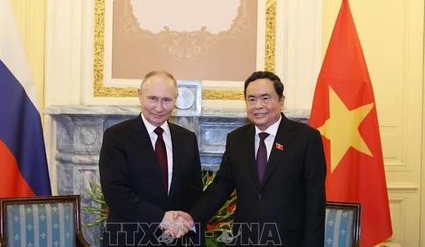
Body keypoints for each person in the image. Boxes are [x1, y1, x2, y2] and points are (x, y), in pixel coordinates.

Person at [176, 71, 326, 246]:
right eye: (252, 99)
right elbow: (221, 186)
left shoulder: (306, 138)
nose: (258, 105)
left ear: (281, 101)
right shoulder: (237, 139)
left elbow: (315, 200)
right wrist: (191, 217)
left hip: (289, 239)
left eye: (265, 98)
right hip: (246, 239)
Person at [99, 71, 203, 246]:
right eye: (153, 98)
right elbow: (115, 192)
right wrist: (161, 218)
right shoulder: (117, 136)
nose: (159, 107)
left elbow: (194, 192)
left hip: (172, 239)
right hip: (128, 239)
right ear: (140, 95)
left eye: (167, 100)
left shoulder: (187, 139)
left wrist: (186, 222)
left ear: (176, 99)